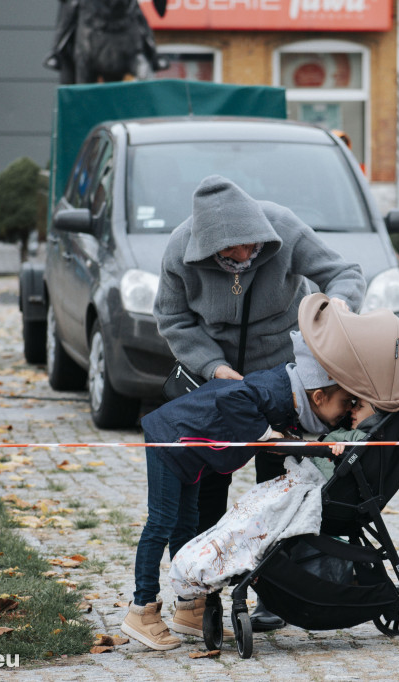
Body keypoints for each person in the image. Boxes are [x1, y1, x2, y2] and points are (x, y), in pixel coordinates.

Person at [154, 174, 365, 631]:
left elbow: (344, 273)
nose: (247, 257)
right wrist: (212, 366)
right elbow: (171, 317)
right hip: (221, 384)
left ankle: (277, 592)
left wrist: (339, 308)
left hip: (286, 382)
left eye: (253, 248)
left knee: (283, 490)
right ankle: (198, 596)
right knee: (207, 489)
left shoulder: (283, 227)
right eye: (234, 254)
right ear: (209, 248)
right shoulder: (179, 249)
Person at [122, 330, 356, 650]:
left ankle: (189, 606)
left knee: (188, 522)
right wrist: (318, 449)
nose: (345, 411)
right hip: (171, 439)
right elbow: (235, 401)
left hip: (192, 453)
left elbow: (273, 442)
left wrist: (306, 443)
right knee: (162, 521)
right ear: (318, 397)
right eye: (344, 403)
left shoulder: (290, 391)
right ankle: (142, 609)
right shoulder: (276, 392)